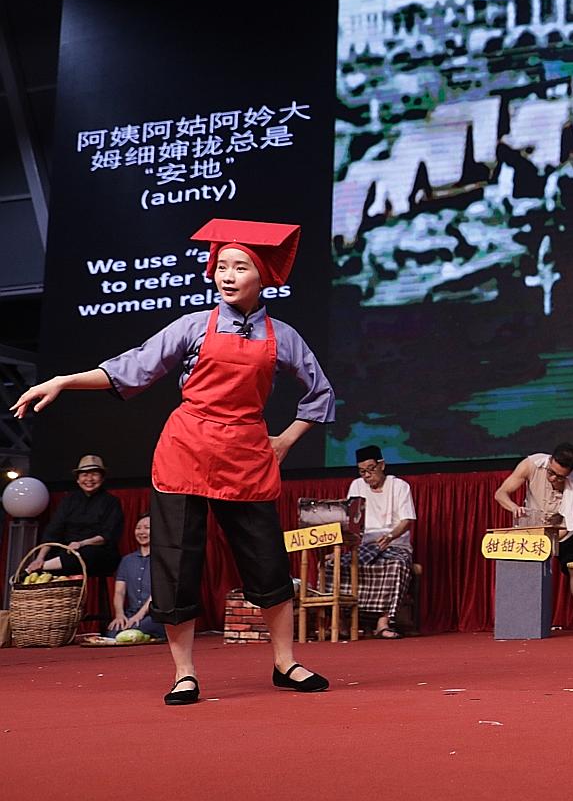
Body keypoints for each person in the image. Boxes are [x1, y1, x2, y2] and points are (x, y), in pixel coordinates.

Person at [10, 219, 336, 705]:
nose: (226, 275)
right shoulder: (193, 326)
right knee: (176, 564)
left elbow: (321, 393)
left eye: (240, 267)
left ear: (262, 275)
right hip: (186, 452)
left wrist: (285, 440)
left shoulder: (282, 337)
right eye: (221, 266)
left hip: (246, 457)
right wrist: (61, 380)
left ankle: (285, 663)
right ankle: (184, 672)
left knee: (267, 562)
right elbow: (130, 367)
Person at [494, 443, 573, 632]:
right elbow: (500, 494)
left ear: (570, 473)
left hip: (562, 529)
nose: (553, 477)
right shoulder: (532, 464)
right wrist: (515, 508)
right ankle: (523, 620)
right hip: (533, 528)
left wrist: (550, 537)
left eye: (560, 476)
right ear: (550, 461)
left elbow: (567, 518)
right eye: (551, 472)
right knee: (526, 573)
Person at [345, 445, 418, 638]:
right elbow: (352, 521)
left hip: (394, 543)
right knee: (335, 565)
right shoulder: (357, 486)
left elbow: (407, 520)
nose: (367, 476)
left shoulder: (399, 486)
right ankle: (344, 622)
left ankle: (383, 622)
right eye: (362, 472)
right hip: (365, 545)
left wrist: (391, 536)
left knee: (396, 565)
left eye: (371, 469)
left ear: (382, 465)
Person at [26, 455, 123, 578]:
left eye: (94, 474)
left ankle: (36, 569)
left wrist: (82, 543)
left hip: (96, 551)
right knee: (54, 554)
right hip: (68, 551)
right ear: (77, 479)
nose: (89, 479)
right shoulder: (68, 501)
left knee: (87, 553)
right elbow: (53, 530)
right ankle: (38, 567)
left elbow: (107, 535)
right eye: (84, 475)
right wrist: (39, 558)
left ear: (102, 478)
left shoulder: (111, 502)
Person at [108, 515, 165, 640]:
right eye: (138, 528)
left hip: (155, 615)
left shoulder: (162, 559)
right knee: (113, 632)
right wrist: (119, 615)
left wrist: (139, 616)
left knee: (137, 627)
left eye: (147, 528)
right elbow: (119, 592)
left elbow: (157, 592)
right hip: (132, 613)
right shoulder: (127, 560)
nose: (142, 532)